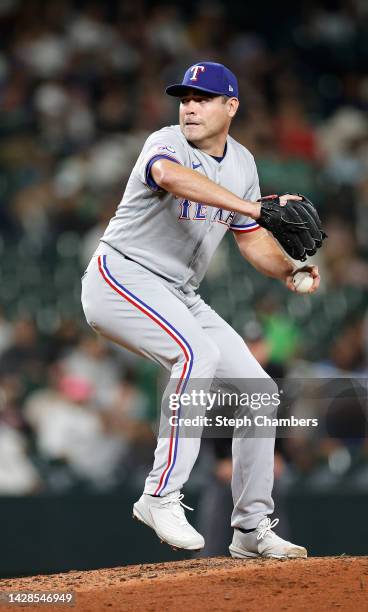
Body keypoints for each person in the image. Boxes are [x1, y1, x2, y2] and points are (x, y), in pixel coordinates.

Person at [81, 61, 320, 559]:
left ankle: (251, 527)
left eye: (203, 98)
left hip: (179, 292)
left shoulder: (242, 164)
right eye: (185, 97)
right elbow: (168, 178)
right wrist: (254, 208)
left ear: (231, 106)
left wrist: (290, 269)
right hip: (121, 275)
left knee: (259, 391)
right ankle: (160, 494)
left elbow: (252, 240)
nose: (189, 106)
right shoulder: (166, 142)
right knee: (195, 355)